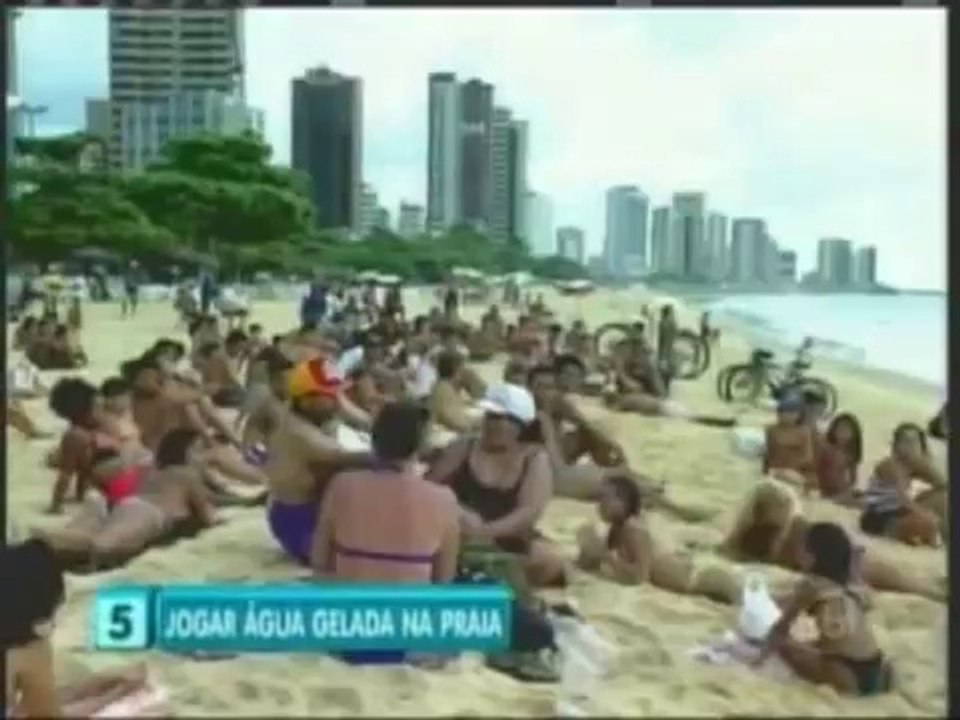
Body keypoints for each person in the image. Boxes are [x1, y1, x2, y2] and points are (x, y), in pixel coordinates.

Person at [426, 383, 566, 587]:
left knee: (550, 562)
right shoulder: (465, 447)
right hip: (456, 536)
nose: (492, 424)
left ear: (520, 424)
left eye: (500, 418)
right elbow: (428, 487)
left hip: (507, 540)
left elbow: (528, 512)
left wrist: (484, 532)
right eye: (490, 416)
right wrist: (456, 512)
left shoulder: (534, 458)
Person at [2, 539, 158, 717]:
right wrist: (114, 695)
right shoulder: (26, 650)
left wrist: (94, 685)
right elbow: (46, 714)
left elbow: (31, 703)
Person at [721, 481, 944, 601]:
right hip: (834, 556)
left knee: (900, 580)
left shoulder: (791, 526)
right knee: (898, 580)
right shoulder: (758, 534)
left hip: (838, 552)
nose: (781, 508)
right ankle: (935, 590)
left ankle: (936, 591)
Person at [312, 401, 460, 583]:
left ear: (375, 437)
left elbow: (319, 561)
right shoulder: (443, 500)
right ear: (422, 445)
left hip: (351, 603)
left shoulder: (342, 485)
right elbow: (444, 581)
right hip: (410, 607)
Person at [35, 429, 222, 566]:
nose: (203, 456)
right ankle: (42, 541)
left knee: (95, 539)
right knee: (101, 546)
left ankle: (45, 540)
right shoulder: (187, 474)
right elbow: (207, 513)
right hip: (151, 513)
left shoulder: (153, 469)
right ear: (186, 453)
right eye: (198, 450)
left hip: (126, 505)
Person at [754, 522, 893, 697]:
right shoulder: (853, 585)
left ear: (811, 558)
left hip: (844, 672)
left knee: (785, 646)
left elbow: (780, 628)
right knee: (817, 645)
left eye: (802, 549)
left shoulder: (810, 585)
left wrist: (759, 658)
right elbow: (858, 613)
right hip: (876, 666)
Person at [264, 358, 375, 565]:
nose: (336, 398)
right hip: (297, 520)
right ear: (306, 400)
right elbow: (355, 458)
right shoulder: (297, 431)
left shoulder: (312, 413)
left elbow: (369, 424)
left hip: (309, 507)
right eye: (329, 394)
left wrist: (338, 401)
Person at [576, 476, 740, 602]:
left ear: (623, 502)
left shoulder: (633, 529)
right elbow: (592, 564)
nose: (600, 504)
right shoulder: (617, 530)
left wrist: (603, 554)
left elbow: (640, 577)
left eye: (605, 499)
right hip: (687, 580)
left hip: (696, 578)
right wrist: (588, 547)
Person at [859, 423, 944, 547]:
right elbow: (901, 499)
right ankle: (931, 542)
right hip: (878, 518)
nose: (909, 446)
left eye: (914, 442)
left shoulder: (913, 466)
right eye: (904, 441)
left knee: (942, 498)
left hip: (898, 512)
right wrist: (925, 513)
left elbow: (942, 484)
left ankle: (931, 537)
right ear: (895, 445)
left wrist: (925, 464)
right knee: (929, 522)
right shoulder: (890, 465)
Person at [763, 395, 817, 490]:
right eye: (784, 412)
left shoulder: (804, 431)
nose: (787, 416)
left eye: (792, 413)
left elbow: (807, 456)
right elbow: (768, 453)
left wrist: (792, 467)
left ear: (799, 414)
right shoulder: (771, 430)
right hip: (775, 470)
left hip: (796, 471)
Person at [429, 352, 481, 435]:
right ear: (456, 371)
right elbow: (453, 420)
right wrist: (475, 427)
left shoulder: (451, 388)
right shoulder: (444, 389)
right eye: (463, 368)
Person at [814, 413, 863, 502]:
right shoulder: (826, 448)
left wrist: (850, 489)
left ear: (854, 433)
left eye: (848, 430)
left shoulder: (851, 451)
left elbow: (853, 478)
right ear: (833, 430)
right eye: (840, 429)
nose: (843, 433)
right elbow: (817, 470)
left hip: (843, 490)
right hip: (826, 491)